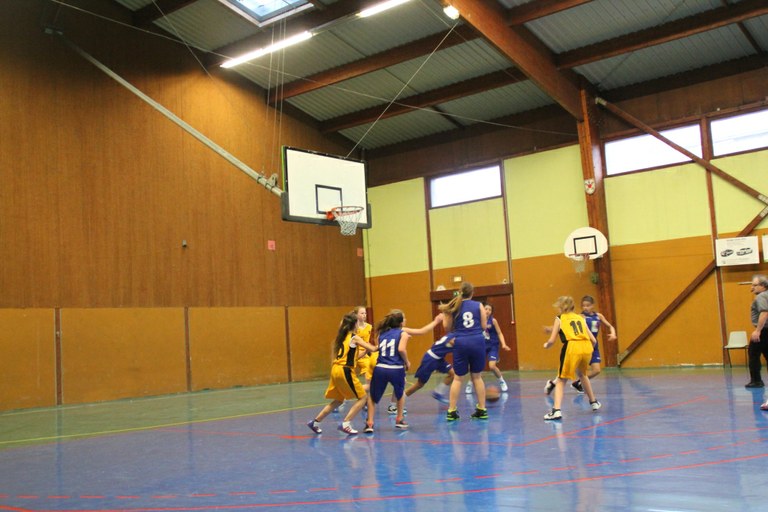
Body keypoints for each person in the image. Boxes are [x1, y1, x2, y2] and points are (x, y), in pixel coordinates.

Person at [307, 311, 378, 435]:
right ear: (354, 324)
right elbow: (373, 348)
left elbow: (354, 357)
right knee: (363, 397)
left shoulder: (340, 338)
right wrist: (384, 342)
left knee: (339, 400)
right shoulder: (354, 337)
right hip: (345, 370)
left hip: (336, 369)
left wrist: (365, 351)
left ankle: (315, 422)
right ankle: (346, 423)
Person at [543, 296, 602, 420]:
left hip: (572, 347)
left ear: (561, 307)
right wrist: (588, 350)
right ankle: (594, 402)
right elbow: (593, 340)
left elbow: (552, 340)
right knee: (582, 374)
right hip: (586, 347)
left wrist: (547, 345)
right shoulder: (580, 318)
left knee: (561, 379)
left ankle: (556, 410)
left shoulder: (560, 318)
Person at [545, 295, 616, 395]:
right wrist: (551, 329)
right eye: (583, 306)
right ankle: (553, 383)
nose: (585, 308)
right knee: (571, 369)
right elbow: (564, 324)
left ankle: (577, 383)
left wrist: (613, 333)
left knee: (596, 370)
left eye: (588, 305)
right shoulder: (580, 317)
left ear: (593, 305)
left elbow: (610, 326)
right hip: (582, 345)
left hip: (593, 345)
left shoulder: (599, 316)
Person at [440, 282, 489, 421]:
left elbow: (447, 327)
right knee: (477, 377)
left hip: (461, 341)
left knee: (458, 378)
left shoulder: (455, 306)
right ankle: (482, 409)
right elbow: (484, 326)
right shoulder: (478, 305)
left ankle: (451, 411)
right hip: (477, 341)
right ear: (472, 293)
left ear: (460, 292)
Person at [365, 310, 411, 432]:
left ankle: (369, 423)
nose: (406, 320)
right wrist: (407, 362)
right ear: (401, 322)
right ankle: (399, 419)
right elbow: (401, 349)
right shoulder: (403, 334)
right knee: (400, 394)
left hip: (380, 367)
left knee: (372, 397)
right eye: (404, 318)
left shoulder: (382, 333)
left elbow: (379, 348)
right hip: (396, 368)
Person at [465, 302, 511, 394]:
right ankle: (470, 384)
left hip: (492, 346)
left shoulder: (493, 321)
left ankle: (501, 381)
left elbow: (499, 333)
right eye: (486, 309)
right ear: (482, 309)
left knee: (492, 366)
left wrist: (504, 344)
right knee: (476, 367)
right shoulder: (477, 321)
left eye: (490, 310)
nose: (487, 311)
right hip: (481, 346)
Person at [745, 275, 768, 389]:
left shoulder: (761, 296)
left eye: (754, 285)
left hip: (764, 330)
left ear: (763, 286)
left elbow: (764, 312)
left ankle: (756, 380)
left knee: (753, 354)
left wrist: (758, 330)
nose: (752, 288)